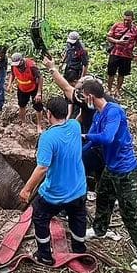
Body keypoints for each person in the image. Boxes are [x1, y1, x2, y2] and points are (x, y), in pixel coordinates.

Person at [81, 79, 137, 267]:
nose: (83, 100)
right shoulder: (97, 115)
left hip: (125, 170)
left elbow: (106, 138)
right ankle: (99, 230)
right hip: (110, 167)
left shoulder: (114, 111)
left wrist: (86, 136)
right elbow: (92, 141)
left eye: (83, 96)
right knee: (103, 199)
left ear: (90, 96)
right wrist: (77, 155)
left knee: (129, 212)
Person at [18, 97, 88, 265]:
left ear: (48, 114)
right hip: (79, 189)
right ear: (67, 112)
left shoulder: (48, 138)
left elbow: (42, 168)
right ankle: (79, 249)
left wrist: (27, 190)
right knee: (78, 216)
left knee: (40, 217)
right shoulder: (75, 126)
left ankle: (44, 255)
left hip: (55, 194)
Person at [42, 56, 116, 196]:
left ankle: (77, 194)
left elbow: (65, 87)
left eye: (81, 90)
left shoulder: (88, 100)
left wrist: (52, 68)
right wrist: (71, 126)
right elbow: (81, 116)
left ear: (88, 94)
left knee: (78, 164)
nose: (79, 92)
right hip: (101, 143)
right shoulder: (108, 102)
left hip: (97, 143)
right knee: (99, 169)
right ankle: (99, 192)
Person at [106, 10, 137, 97]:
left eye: (128, 20)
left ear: (133, 19)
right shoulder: (117, 26)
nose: (126, 22)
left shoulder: (136, 30)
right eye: (125, 19)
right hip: (115, 53)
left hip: (127, 55)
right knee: (111, 73)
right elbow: (108, 37)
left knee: (122, 74)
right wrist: (117, 41)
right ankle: (109, 89)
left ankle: (118, 89)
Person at [7, 52, 44, 132]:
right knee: (21, 105)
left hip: (34, 87)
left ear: (22, 60)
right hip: (22, 88)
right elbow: (12, 74)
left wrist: (39, 93)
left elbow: (40, 77)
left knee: (38, 107)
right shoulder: (14, 66)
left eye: (18, 63)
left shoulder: (31, 66)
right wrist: (9, 84)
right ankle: (23, 122)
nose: (16, 66)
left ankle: (39, 125)